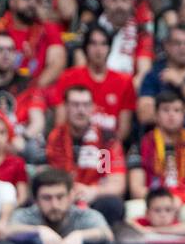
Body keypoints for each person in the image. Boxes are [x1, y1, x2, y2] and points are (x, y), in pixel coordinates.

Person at [44, 84, 128, 225]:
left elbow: (116, 183)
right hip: (62, 198)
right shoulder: (55, 137)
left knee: (113, 204)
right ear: (66, 107)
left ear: (93, 107)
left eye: (86, 105)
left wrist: (93, 191)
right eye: (75, 105)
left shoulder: (106, 138)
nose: (81, 110)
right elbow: (51, 177)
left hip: (94, 197)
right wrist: (69, 193)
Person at [2, 168, 113, 244]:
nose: (54, 205)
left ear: (70, 197)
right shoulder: (27, 214)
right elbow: (8, 231)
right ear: (36, 200)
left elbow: (106, 233)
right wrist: (39, 230)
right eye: (46, 198)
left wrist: (79, 235)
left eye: (60, 197)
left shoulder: (83, 215)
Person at [52, 24, 136, 145]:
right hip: (73, 145)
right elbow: (60, 122)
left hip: (107, 148)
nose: (98, 49)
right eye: (93, 43)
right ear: (86, 47)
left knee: (105, 163)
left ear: (110, 48)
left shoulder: (125, 81)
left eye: (103, 44)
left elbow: (124, 130)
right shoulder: (68, 77)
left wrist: (106, 147)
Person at [131, 91, 185, 206]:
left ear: (184, 116)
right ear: (156, 115)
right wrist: (162, 202)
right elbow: (136, 189)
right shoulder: (140, 145)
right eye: (166, 110)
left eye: (177, 110)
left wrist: (180, 199)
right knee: (134, 208)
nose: (171, 115)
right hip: (151, 201)